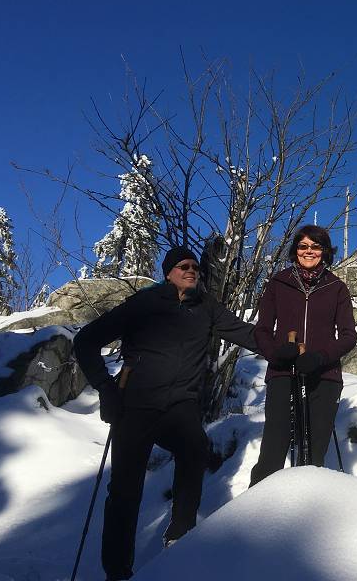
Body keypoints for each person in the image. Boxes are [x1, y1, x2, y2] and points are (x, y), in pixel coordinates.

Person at [74, 247, 259, 581]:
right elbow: (86, 341)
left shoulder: (206, 307)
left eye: (195, 267)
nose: (191, 270)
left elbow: (246, 333)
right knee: (124, 491)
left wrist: (286, 349)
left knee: (195, 449)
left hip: (179, 406)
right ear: (168, 272)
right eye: (183, 266)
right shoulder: (144, 304)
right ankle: (117, 571)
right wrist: (105, 388)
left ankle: (180, 534)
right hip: (136, 406)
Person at [249, 225, 357, 486]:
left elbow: (348, 336)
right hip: (283, 373)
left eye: (316, 246)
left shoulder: (336, 287)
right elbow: (262, 330)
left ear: (325, 251)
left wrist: (320, 357)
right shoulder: (278, 283)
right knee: (272, 452)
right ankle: (257, 507)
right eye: (303, 246)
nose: (309, 251)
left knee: (313, 456)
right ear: (295, 250)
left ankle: (306, 506)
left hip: (324, 377)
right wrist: (276, 354)